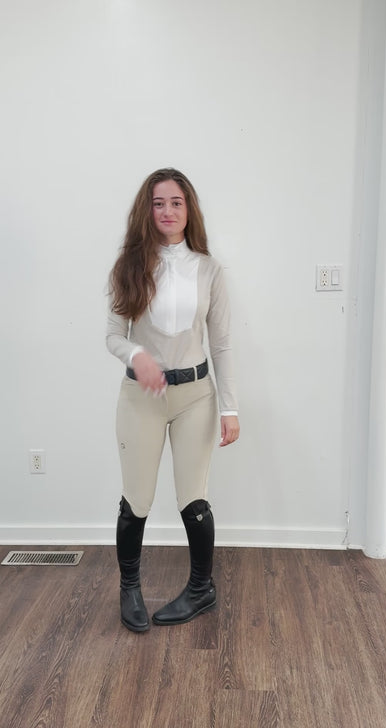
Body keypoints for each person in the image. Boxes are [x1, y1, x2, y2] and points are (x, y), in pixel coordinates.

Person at [106, 167, 239, 632]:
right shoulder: (128, 266)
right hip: (140, 398)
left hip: (196, 397)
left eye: (176, 202)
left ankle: (201, 589)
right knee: (136, 500)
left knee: (193, 500)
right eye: (158, 202)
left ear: (189, 209)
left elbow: (221, 344)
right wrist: (137, 355)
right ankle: (129, 589)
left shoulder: (209, 269)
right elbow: (113, 335)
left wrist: (230, 408)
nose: (167, 211)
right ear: (147, 210)